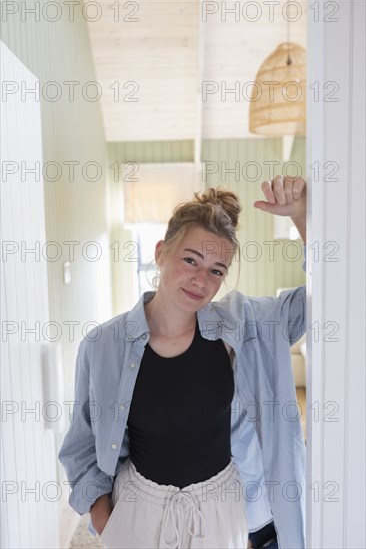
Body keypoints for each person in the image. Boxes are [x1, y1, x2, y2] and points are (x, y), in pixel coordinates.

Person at [59, 175, 307, 549]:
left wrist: (301, 216)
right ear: (160, 253)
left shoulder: (243, 326)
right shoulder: (103, 346)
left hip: (221, 513)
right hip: (138, 513)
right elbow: (80, 445)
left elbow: (324, 298)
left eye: (216, 270)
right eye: (190, 260)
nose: (200, 280)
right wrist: (106, 521)